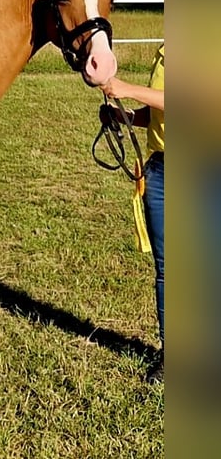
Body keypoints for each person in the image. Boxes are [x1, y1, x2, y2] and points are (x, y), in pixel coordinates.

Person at [99, 43, 164, 384]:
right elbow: (158, 112)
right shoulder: (165, 51)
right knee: (167, 269)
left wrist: (126, 89)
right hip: (161, 171)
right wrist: (126, 115)